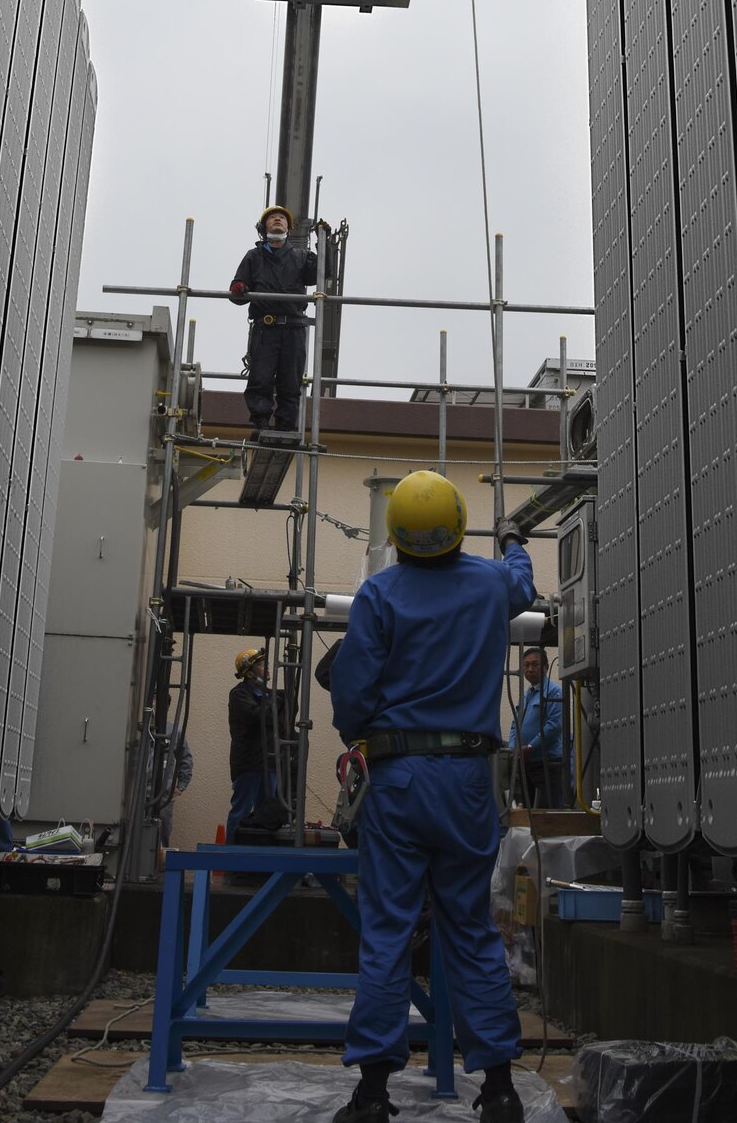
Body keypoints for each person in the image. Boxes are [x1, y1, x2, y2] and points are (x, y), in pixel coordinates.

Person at [328, 469, 535, 1123]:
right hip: (469, 781)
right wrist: (512, 538)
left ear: (394, 536)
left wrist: (365, 729)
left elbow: (352, 699)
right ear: (456, 524)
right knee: (470, 928)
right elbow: (522, 579)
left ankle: (371, 1095)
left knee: (387, 930)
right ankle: (498, 1088)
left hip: (398, 777)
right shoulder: (489, 584)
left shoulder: (378, 594)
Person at [229, 204, 318, 440]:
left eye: (282, 218)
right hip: (265, 328)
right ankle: (262, 423)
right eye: (272, 218)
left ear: (289, 228)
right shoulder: (254, 257)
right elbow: (236, 291)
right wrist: (240, 288)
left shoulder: (301, 257)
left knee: (291, 381)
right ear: (263, 227)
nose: (277, 220)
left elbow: (321, 273)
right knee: (261, 377)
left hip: (294, 327)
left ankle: (284, 429)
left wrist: (325, 244)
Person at [227, 645, 278, 841]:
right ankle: (230, 860)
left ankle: (257, 863)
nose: (267, 668)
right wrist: (273, 700)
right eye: (261, 664)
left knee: (265, 815)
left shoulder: (269, 695)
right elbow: (258, 717)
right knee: (241, 810)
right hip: (249, 763)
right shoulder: (240, 695)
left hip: (269, 762)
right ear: (248, 673)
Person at [506, 647, 563, 807]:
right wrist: (513, 747)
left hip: (545, 764)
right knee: (527, 812)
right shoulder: (527, 694)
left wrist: (530, 747)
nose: (530, 669)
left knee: (546, 814)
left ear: (546, 668)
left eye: (535, 664)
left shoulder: (554, 692)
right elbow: (514, 725)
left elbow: (554, 726)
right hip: (525, 764)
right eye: (526, 665)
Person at [158, 728, 194, 849]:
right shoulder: (142, 730)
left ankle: (159, 865)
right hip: (140, 794)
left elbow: (185, 759)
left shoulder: (172, 731)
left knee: (162, 834)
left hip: (164, 795)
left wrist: (181, 785)